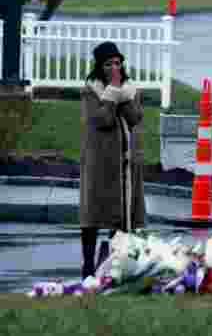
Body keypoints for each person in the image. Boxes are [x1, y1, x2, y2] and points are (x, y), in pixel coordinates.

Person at [79, 41, 146, 279]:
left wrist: (121, 94)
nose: (114, 68)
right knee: (94, 214)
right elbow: (103, 120)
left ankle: (114, 265)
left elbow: (135, 117)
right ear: (100, 67)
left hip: (126, 162)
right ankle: (88, 266)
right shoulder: (91, 90)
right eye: (108, 64)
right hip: (100, 162)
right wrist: (111, 94)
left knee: (123, 216)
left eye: (118, 63)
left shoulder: (131, 89)